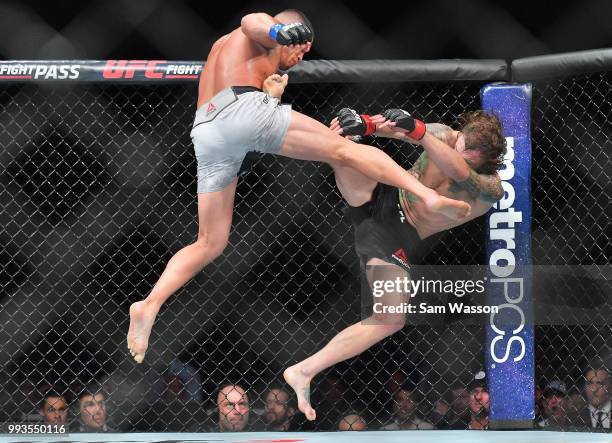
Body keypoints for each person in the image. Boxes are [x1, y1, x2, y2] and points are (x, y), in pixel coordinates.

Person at [127, 9, 469, 364]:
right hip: (239, 110)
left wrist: (270, 94)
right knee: (347, 151)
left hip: (207, 129)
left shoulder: (225, 50)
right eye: (301, 50)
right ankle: (427, 196)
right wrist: (280, 30)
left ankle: (149, 304)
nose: (300, 57)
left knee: (210, 241)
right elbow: (250, 22)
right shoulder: (258, 31)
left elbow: (245, 122)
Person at [280, 98, 506, 418]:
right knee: (342, 149)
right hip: (383, 194)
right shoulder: (446, 135)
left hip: (397, 235)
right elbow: (396, 129)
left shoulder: (490, 188)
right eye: (459, 139)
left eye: (466, 149)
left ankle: (304, 370)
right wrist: (367, 124)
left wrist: (420, 132)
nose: (457, 145)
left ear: (485, 161)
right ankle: (267, 131)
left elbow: (458, 171)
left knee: (390, 319)